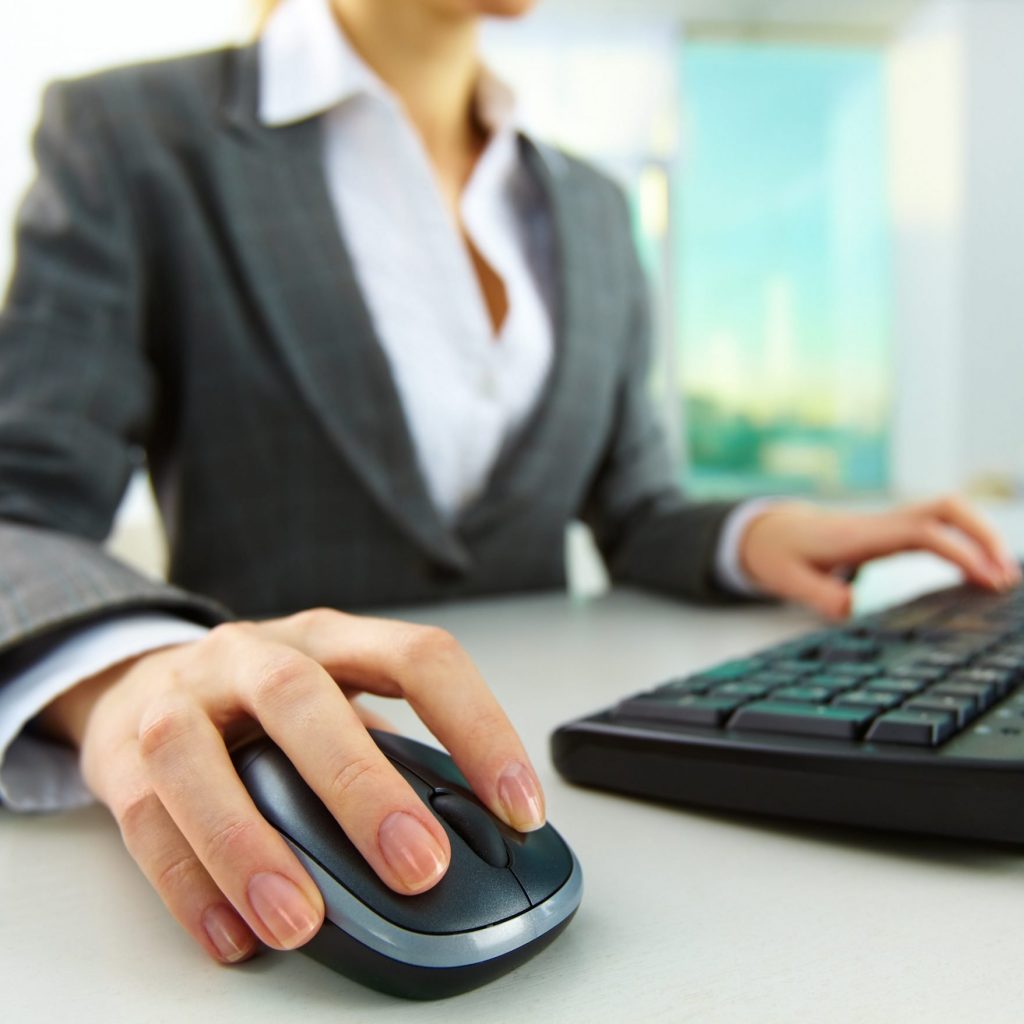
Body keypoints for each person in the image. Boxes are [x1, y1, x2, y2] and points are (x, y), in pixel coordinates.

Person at [0, 0, 1017, 971]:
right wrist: (126, 674)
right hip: (290, 756)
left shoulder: (589, 202)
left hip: (551, 761)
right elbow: (21, 506)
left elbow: (634, 505)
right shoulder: (131, 137)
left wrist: (752, 529)